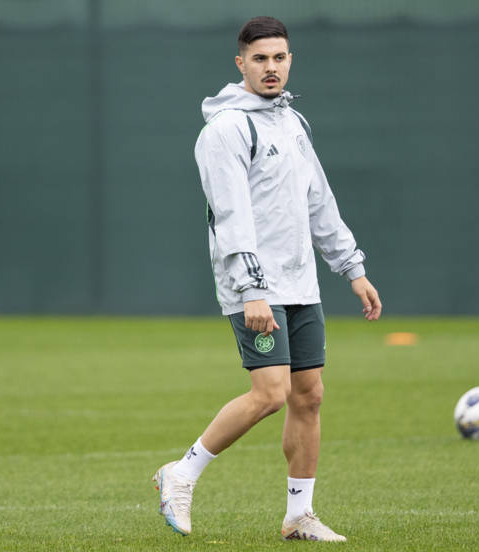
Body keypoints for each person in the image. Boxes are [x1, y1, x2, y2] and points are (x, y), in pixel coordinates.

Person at [152, 16, 382, 543]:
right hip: (252, 286)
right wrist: (253, 289)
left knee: (309, 395)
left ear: (290, 61)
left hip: (301, 284)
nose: (271, 67)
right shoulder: (226, 130)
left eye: (279, 58)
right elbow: (230, 215)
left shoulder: (293, 123)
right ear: (241, 64)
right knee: (271, 393)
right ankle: (181, 473)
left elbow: (319, 201)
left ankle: (299, 515)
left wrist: (353, 269)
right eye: (260, 59)